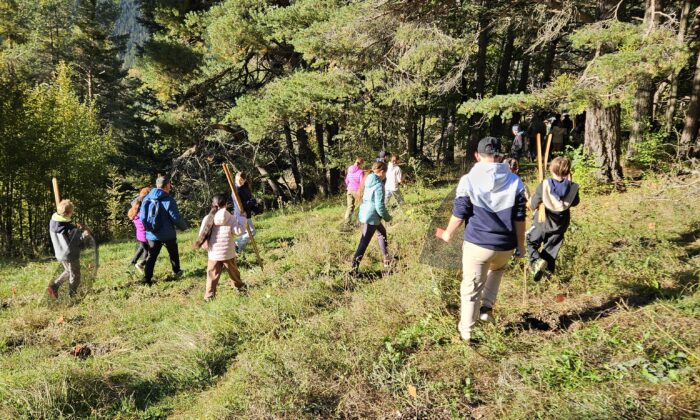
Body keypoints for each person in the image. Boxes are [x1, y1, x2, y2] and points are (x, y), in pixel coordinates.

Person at [438, 137, 527, 342]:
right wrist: (520, 246)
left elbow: (460, 213)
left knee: (471, 287)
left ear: (477, 156)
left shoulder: (468, 180)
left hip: (478, 244)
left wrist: (448, 233)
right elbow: (519, 218)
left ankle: (467, 333)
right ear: (499, 156)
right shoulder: (515, 181)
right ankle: (486, 308)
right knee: (496, 269)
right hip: (505, 245)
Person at [527, 156, 580, 281]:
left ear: (551, 169)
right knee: (551, 252)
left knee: (530, 242)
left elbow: (533, 204)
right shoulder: (573, 188)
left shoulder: (544, 185)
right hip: (560, 226)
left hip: (541, 223)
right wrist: (569, 183)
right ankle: (547, 279)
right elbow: (575, 202)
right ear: (568, 171)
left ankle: (537, 261)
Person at [195, 194, 247, 302]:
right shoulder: (229, 217)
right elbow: (239, 231)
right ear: (226, 204)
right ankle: (240, 288)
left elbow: (202, 234)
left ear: (213, 205)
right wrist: (242, 218)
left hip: (213, 253)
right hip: (227, 252)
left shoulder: (207, 218)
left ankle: (208, 297)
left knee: (212, 275)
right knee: (233, 272)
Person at [139, 176, 188, 285]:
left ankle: (147, 278)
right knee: (173, 253)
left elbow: (142, 216)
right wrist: (184, 227)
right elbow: (175, 217)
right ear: (166, 186)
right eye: (169, 184)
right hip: (168, 234)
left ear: (157, 185)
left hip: (152, 234)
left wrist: (148, 228)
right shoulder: (168, 199)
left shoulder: (146, 198)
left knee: (151, 256)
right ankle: (176, 271)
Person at [350, 161, 392, 275]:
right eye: (385, 173)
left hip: (367, 214)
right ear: (382, 172)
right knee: (363, 243)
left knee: (382, 232)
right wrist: (388, 217)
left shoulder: (368, 180)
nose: (385, 176)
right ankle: (353, 270)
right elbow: (379, 206)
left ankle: (386, 259)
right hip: (371, 217)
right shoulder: (379, 185)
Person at [47, 200, 92, 298]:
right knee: (75, 275)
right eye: (71, 212)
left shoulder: (53, 222)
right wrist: (85, 231)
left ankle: (54, 287)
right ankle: (73, 295)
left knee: (68, 271)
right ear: (68, 213)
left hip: (60, 253)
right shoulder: (69, 228)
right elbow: (79, 240)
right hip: (70, 254)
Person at [232, 172, 259, 254]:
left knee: (245, 233)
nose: (239, 182)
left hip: (247, 212)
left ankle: (238, 251)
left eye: (241, 180)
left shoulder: (245, 187)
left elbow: (248, 199)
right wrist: (254, 201)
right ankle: (236, 243)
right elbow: (240, 205)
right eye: (237, 180)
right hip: (241, 214)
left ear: (244, 180)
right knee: (252, 232)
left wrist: (255, 207)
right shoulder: (235, 191)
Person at [128, 187, 151, 273]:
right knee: (147, 252)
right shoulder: (142, 211)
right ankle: (142, 265)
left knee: (142, 247)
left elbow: (134, 203)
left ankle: (132, 262)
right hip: (145, 235)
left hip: (140, 235)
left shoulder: (134, 212)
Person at [344, 158, 365, 227]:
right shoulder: (360, 172)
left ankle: (347, 223)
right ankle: (360, 222)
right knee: (361, 206)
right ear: (361, 163)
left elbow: (346, 181)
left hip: (349, 190)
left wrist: (349, 187)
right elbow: (362, 183)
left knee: (349, 207)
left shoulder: (349, 170)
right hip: (357, 191)